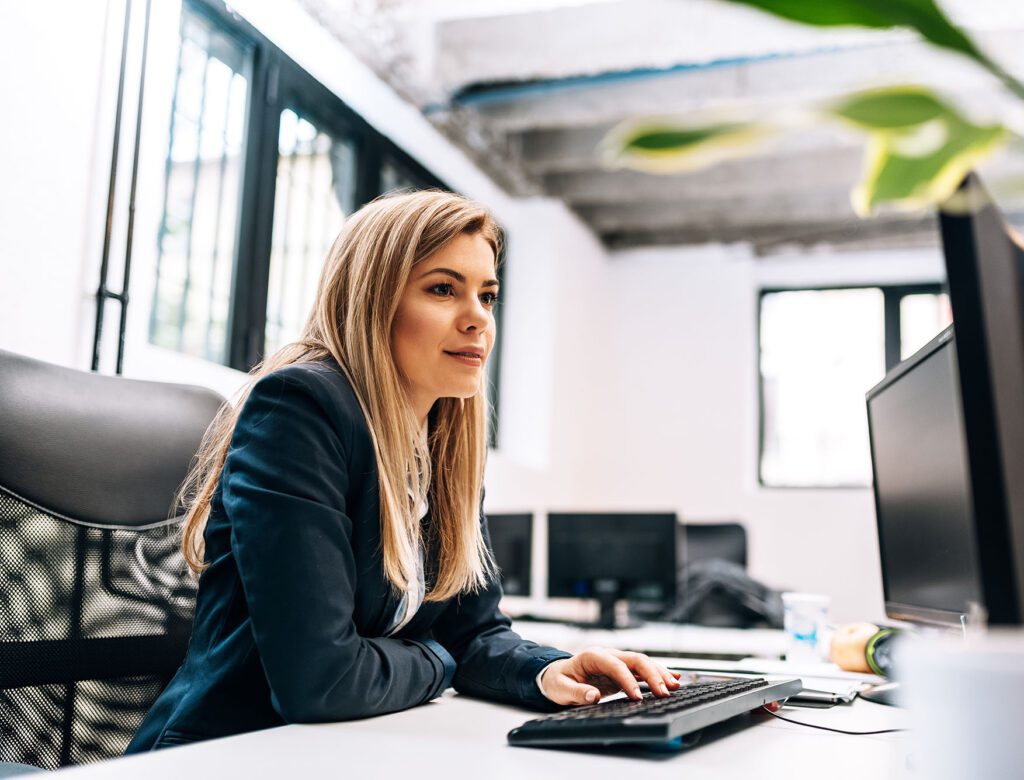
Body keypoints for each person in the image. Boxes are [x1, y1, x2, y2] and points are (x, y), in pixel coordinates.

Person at [127, 191, 681, 752]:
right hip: (229, 753)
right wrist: (439, 658)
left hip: (352, 749)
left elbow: (474, 631)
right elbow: (323, 680)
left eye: (487, 295)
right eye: (443, 289)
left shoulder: (438, 447)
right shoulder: (300, 409)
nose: (479, 320)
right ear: (373, 300)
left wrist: (548, 670)